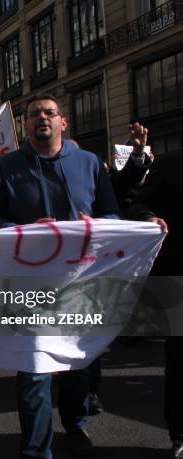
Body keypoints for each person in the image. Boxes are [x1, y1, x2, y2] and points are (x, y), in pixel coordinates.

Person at [0, 93, 119, 459]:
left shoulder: (90, 164)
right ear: (24, 125)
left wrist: (98, 225)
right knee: (34, 372)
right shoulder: (5, 168)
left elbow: (114, 216)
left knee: (76, 368)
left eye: (49, 112)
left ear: (63, 122)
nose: (41, 118)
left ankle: (76, 426)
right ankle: (35, 449)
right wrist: (26, 230)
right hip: (29, 290)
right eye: (33, 114)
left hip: (80, 286)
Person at [129, 142, 182, 458]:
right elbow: (139, 205)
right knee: (180, 364)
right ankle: (180, 436)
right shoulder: (170, 165)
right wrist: (148, 217)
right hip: (178, 278)